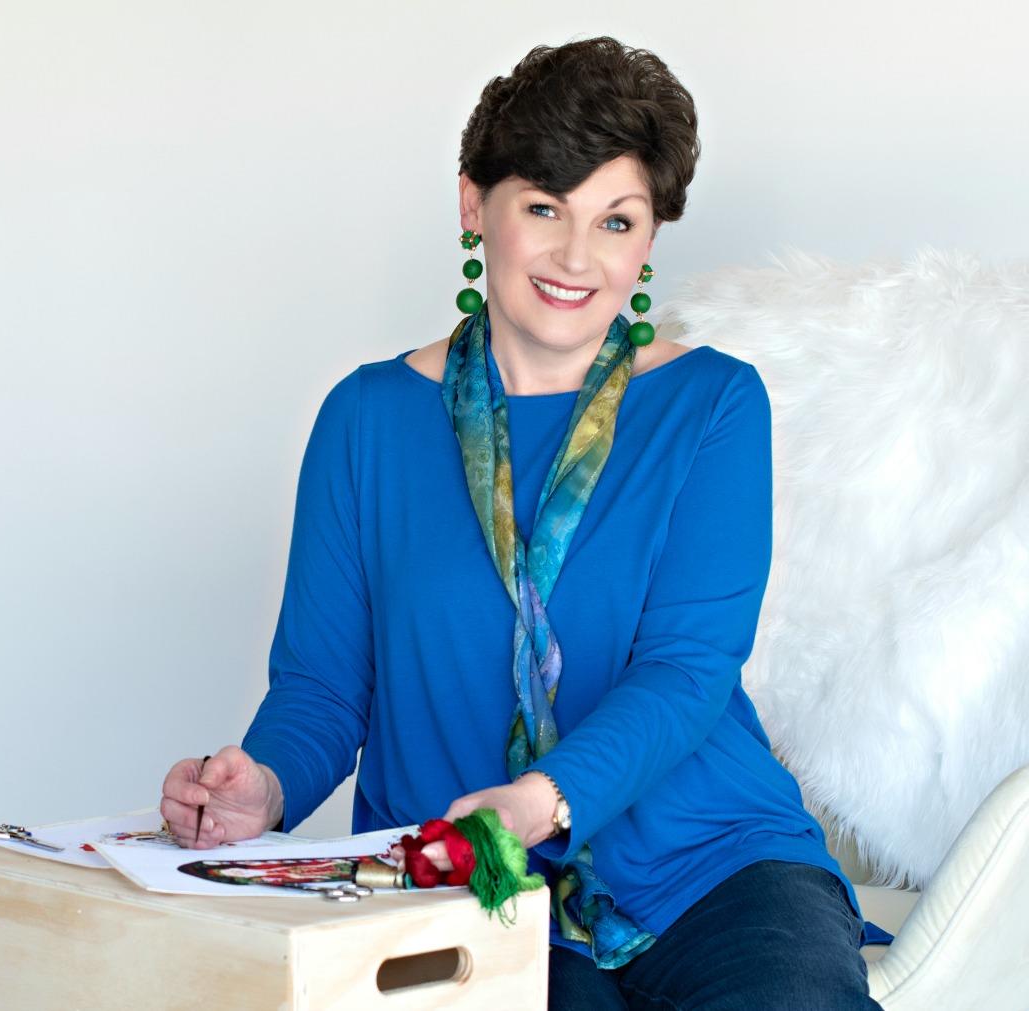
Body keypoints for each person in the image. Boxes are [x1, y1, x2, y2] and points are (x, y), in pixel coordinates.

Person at [161, 36, 881, 1010]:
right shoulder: (367, 420)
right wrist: (268, 785)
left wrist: (538, 802)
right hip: (473, 882)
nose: (578, 258)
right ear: (475, 204)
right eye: (544, 208)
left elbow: (688, 669)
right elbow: (324, 687)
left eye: (616, 220)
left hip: (710, 864)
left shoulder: (712, 405)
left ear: (649, 238)